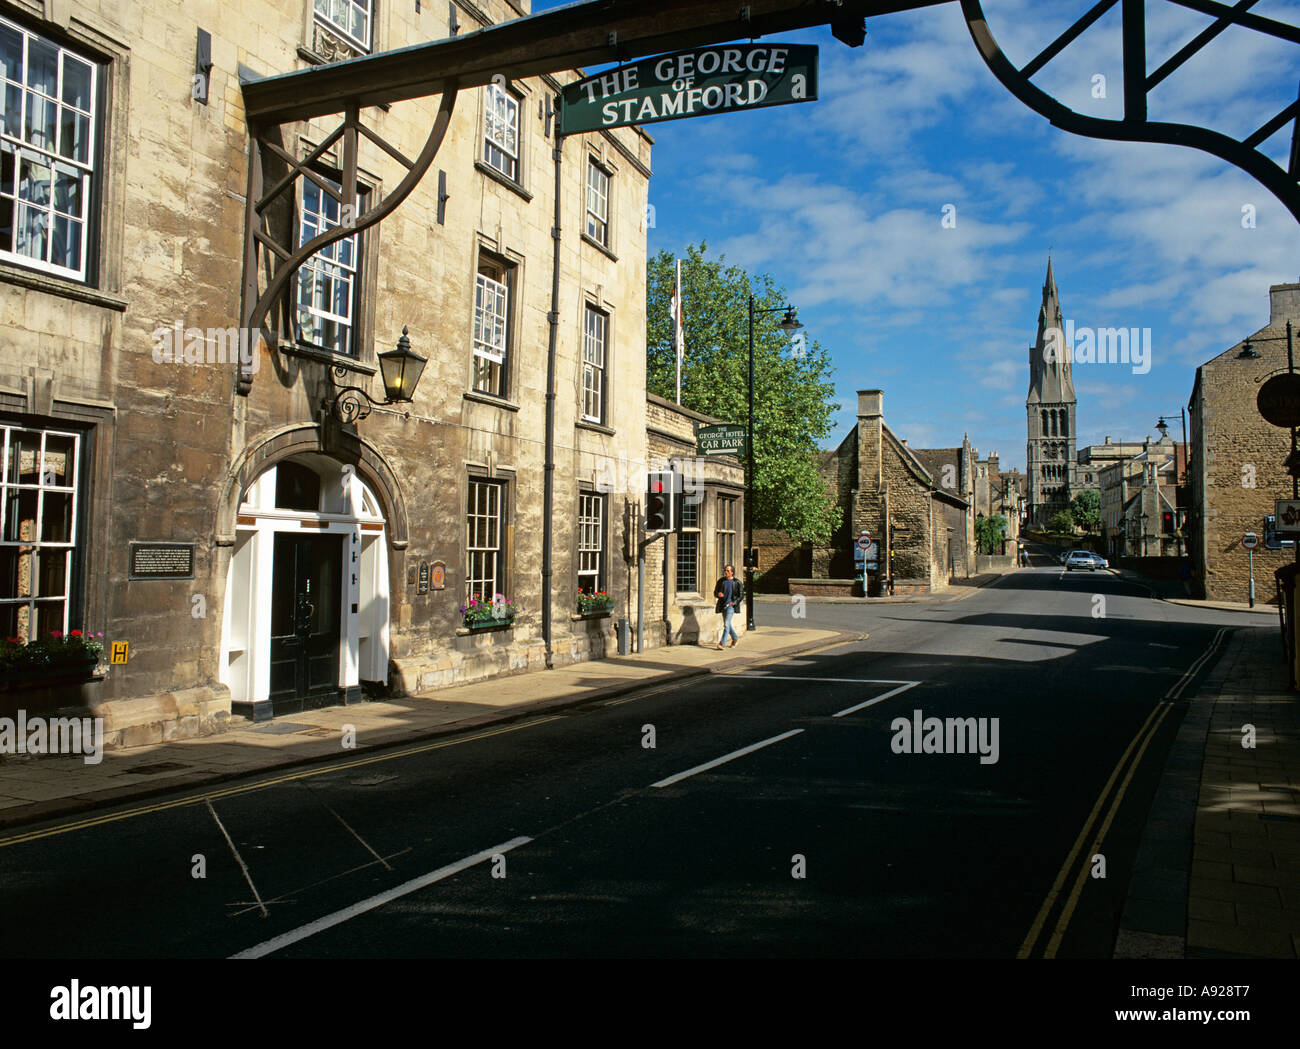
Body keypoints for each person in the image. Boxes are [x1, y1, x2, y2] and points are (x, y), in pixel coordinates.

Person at [713, 563, 743, 649]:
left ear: (732, 572)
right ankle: (735, 638)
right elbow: (715, 592)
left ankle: (722, 643)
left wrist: (733, 603)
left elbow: (741, 596)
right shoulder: (721, 581)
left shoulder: (737, 582)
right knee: (728, 624)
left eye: (728, 571)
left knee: (726, 625)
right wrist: (718, 594)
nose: (726, 572)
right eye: (725, 570)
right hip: (723, 605)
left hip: (730, 606)